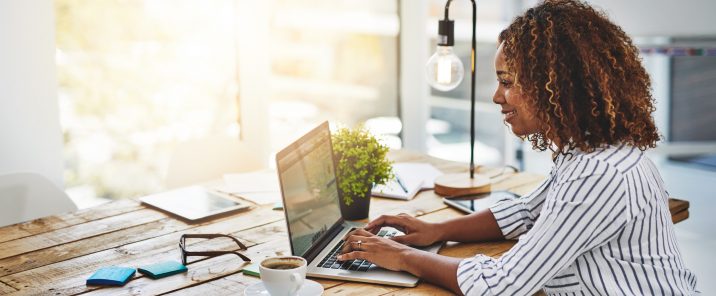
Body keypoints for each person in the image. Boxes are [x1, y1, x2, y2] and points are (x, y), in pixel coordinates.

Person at [337, 0, 699, 295]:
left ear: (553, 85)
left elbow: (502, 284)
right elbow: (527, 213)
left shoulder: (599, 172)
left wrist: (400, 256)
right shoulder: (589, 152)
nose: (497, 97)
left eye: (507, 82)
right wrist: (438, 230)